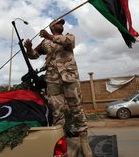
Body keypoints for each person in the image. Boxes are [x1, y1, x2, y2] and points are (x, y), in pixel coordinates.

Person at [24, 19, 92, 157]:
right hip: (53, 80)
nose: (61, 25)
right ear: (51, 26)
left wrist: (50, 36)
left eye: (62, 24)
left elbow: (69, 43)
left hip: (69, 78)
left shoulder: (68, 36)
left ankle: (84, 141)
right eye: (58, 23)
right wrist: (29, 48)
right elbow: (34, 56)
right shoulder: (44, 43)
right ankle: (60, 143)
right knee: (57, 112)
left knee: (76, 109)